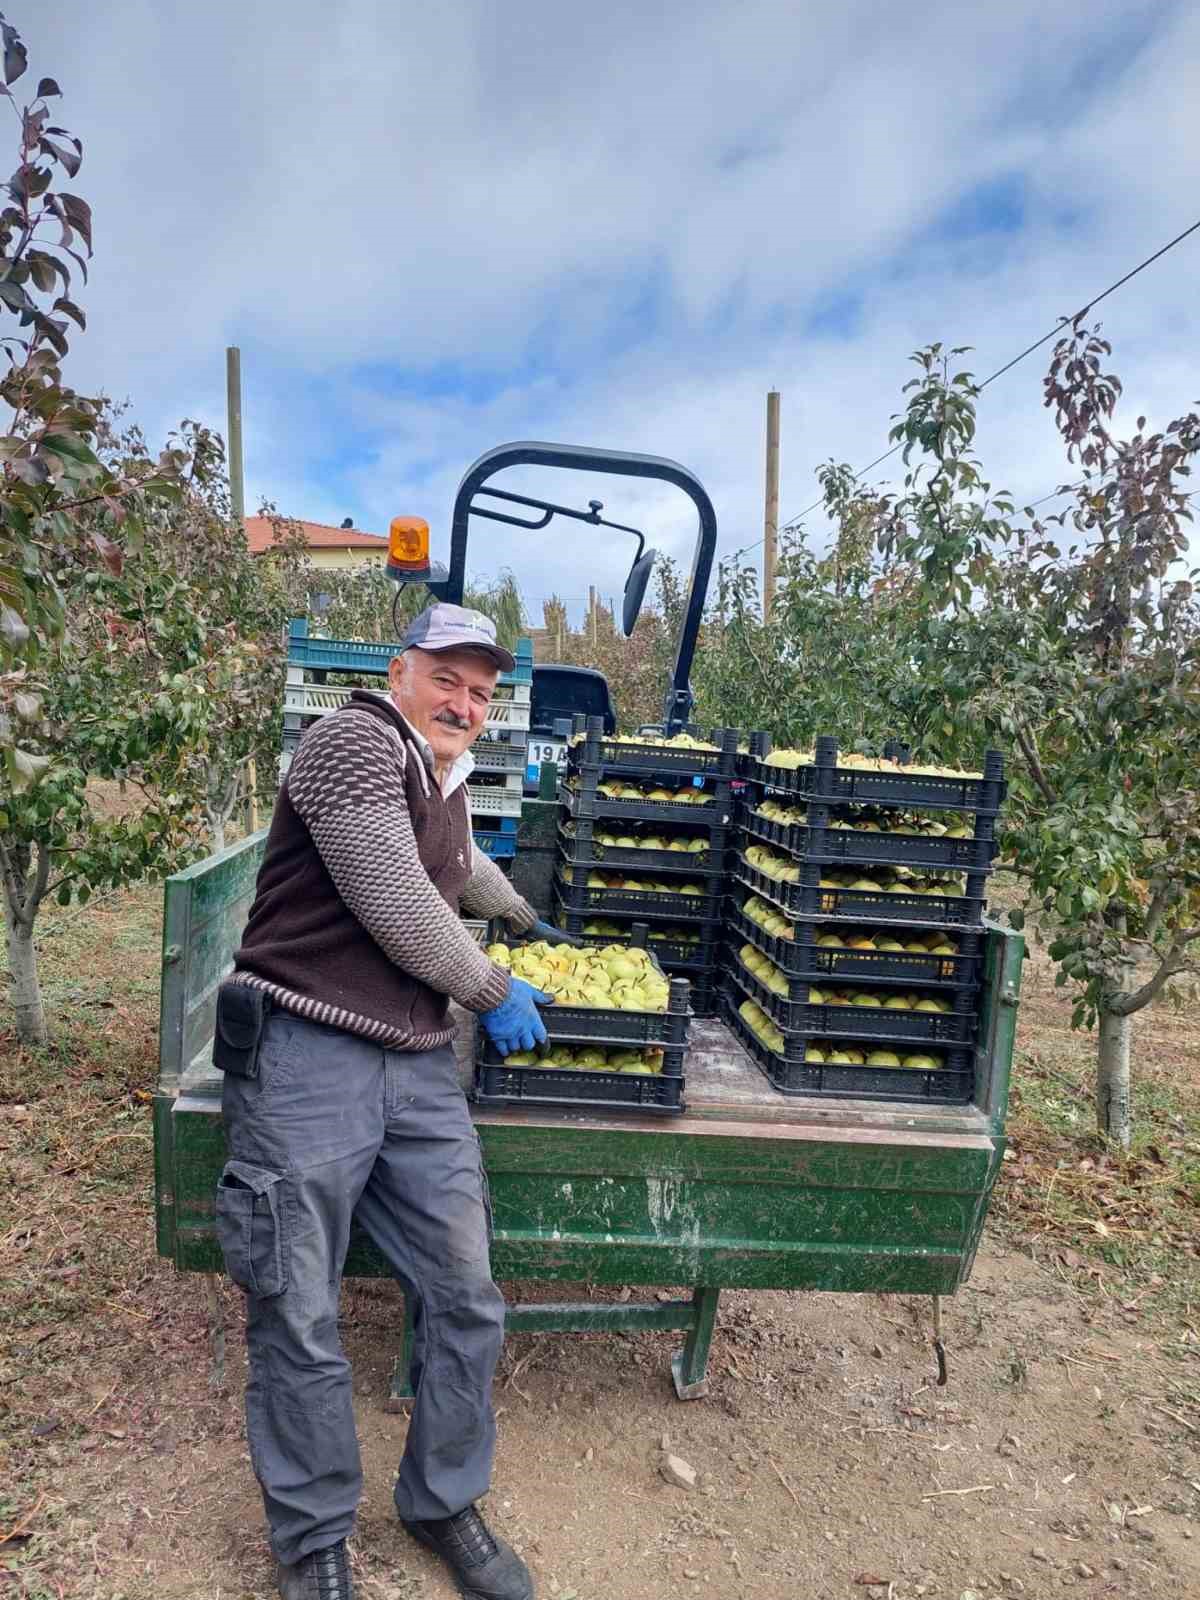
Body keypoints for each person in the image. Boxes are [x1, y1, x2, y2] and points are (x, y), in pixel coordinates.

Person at [212, 602, 556, 1600]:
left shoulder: (440, 774)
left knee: (465, 1292)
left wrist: (525, 917)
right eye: (448, 677)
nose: (464, 701)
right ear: (401, 669)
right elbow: (397, 899)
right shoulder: (351, 743)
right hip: (309, 1046)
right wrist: (491, 989)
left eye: (482, 691)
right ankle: (315, 1537)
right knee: (298, 1306)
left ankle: (443, 1498)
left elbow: (450, 867)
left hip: (413, 1060)